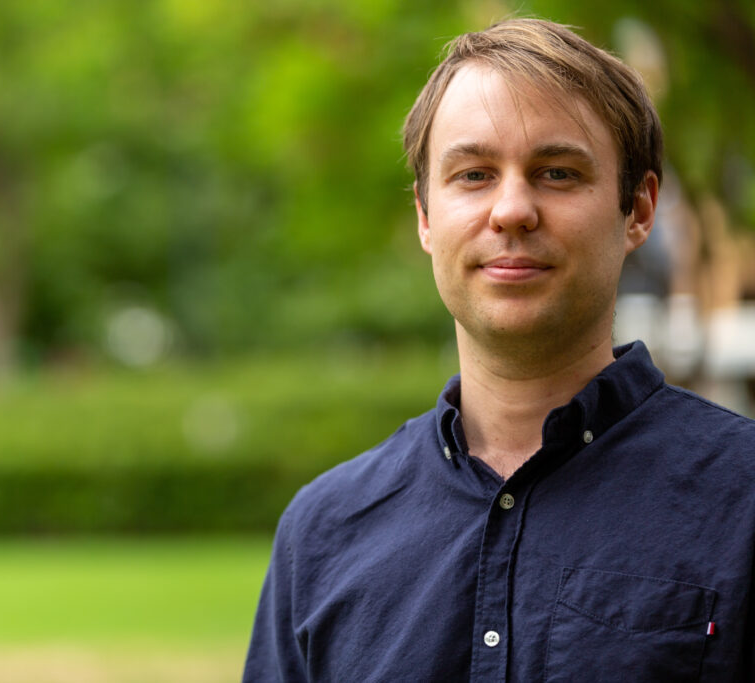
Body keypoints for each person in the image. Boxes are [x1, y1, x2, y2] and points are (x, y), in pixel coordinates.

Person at [243, 18, 755, 682]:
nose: (512, 209)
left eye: (558, 172)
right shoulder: (321, 534)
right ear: (426, 218)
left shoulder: (743, 502)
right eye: (475, 173)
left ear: (638, 210)